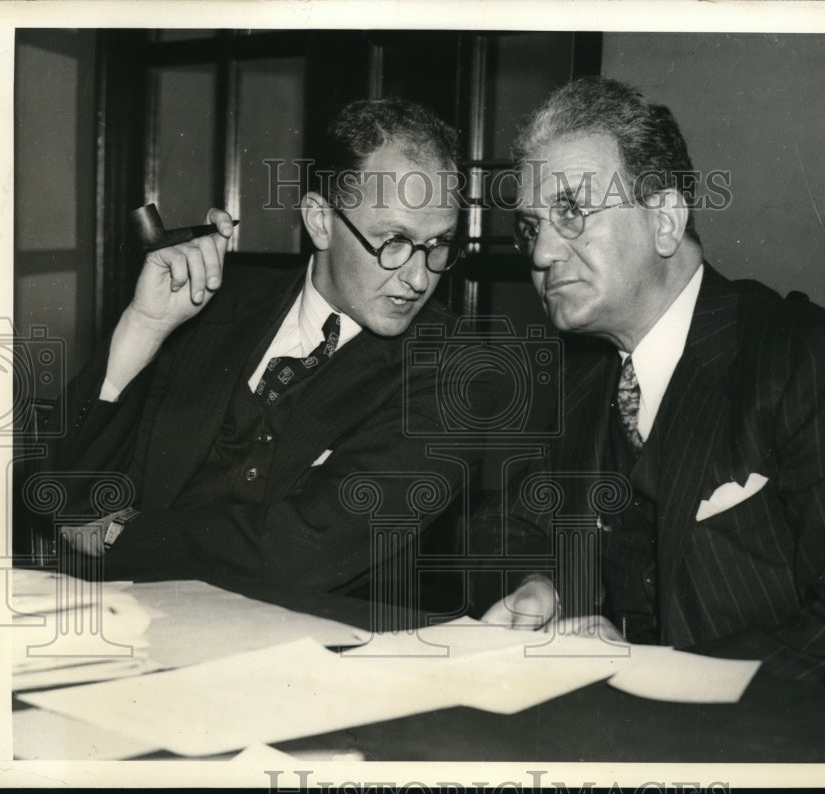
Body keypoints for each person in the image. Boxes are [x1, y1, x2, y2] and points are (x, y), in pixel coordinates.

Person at [481, 77, 825, 686]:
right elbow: (519, 526)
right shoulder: (579, 373)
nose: (540, 254)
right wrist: (543, 585)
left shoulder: (807, 356)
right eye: (531, 225)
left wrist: (658, 674)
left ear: (666, 219)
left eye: (571, 211)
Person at [33, 98, 495, 614]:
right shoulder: (212, 307)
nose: (418, 278)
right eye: (394, 241)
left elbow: (301, 553)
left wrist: (121, 533)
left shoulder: (459, 370)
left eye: (439, 245)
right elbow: (59, 491)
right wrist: (145, 326)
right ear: (320, 221)